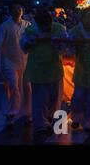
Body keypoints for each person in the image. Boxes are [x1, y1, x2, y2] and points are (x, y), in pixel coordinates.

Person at [20, 8, 67, 137]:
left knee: (54, 98)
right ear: (37, 23)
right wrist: (31, 42)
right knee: (39, 100)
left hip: (54, 69)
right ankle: (41, 125)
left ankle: (50, 118)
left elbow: (65, 48)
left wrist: (58, 44)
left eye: (48, 25)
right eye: (43, 25)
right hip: (37, 70)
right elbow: (23, 46)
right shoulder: (30, 31)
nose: (46, 27)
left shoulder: (59, 29)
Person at [0, 3, 32, 128]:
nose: (17, 11)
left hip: (25, 62)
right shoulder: (4, 26)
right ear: (10, 11)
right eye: (14, 9)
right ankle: (10, 114)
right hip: (9, 62)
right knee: (12, 86)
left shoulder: (28, 26)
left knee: (27, 88)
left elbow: (34, 41)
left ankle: (28, 113)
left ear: (22, 10)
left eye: (19, 9)